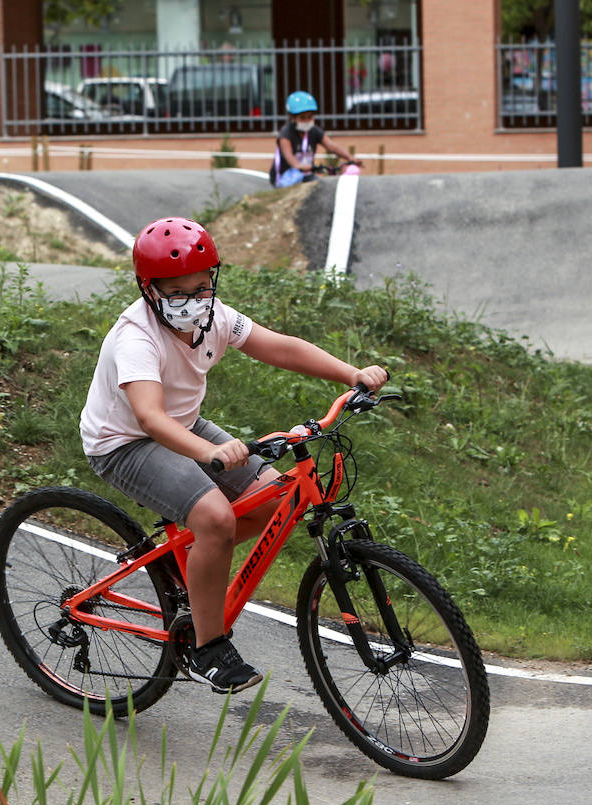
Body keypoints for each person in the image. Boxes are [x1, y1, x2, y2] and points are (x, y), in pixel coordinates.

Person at [79, 217, 389, 694]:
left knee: (273, 501)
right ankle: (208, 649)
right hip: (124, 442)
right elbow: (149, 417)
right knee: (216, 519)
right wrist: (210, 452)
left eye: (202, 288)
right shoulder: (135, 337)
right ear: (150, 289)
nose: (193, 301)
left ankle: (192, 566)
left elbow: (278, 347)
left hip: (184, 427)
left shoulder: (214, 316)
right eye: (177, 291)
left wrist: (352, 375)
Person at [270, 91, 362, 188]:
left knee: (322, 187)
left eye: (310, 117)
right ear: (292, 117)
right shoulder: (286, 133)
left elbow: (331, 146)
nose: (307, 121)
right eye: (302, 118)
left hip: (306, 175)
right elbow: (289, 157)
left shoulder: (314, 131)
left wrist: (350, 158)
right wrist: (299, 166)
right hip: (285, 176)